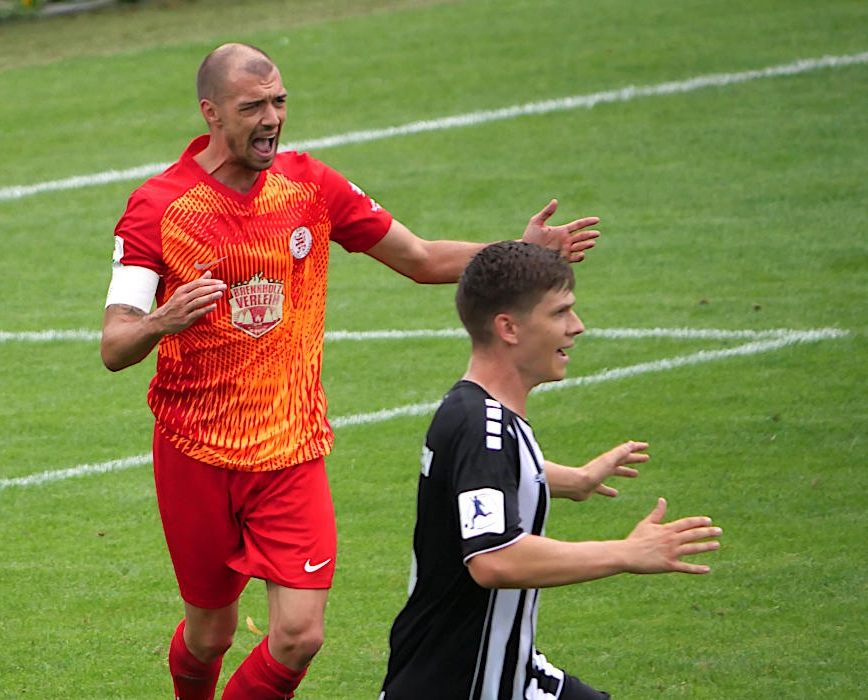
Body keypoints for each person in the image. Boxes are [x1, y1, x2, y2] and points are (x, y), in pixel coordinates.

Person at [100, 42, 601, 700]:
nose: (272, 118)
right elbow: (115, 344)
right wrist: (161, 322)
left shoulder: (311, 185)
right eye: (252, 107)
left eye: (279, 102)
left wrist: (518, 251)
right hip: (195, 454)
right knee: (210, 634)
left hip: (292, 449)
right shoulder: (159, 207)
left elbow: (420, 258)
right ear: (211, 113)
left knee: (299, 635)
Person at [378, 241, 723, 700]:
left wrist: (575, 481)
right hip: (463, 685)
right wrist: (627, 553)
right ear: (509, 328)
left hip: (511, 673)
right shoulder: (484, 427)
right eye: (560, 312)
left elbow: (486, 476)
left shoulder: (475, 410)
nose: (576, 327)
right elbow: (495, 559)